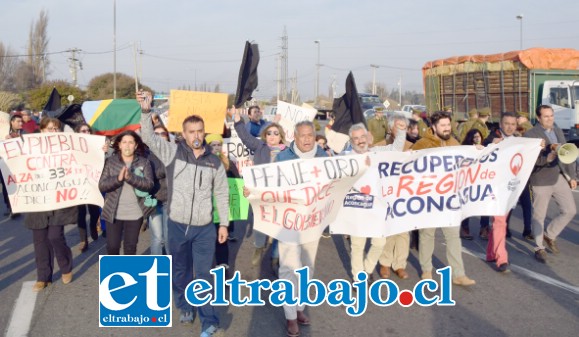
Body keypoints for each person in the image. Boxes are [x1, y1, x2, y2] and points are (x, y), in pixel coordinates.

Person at [138, 91, 229, 337]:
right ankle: (185, 306)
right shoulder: (173, 153)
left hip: (204, 229)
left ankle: (209, 320)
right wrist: (146, 112)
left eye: (200, 130)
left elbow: (221, 193)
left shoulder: (215, 162)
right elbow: (147, 137)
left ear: (204, 132)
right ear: (184, 134)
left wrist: (223, 225)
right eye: (191, 131)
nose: (196, 135)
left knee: (203, 274)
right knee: (180, 271)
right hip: (176, 225)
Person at [244, 120, 327, 337]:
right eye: (303, 136)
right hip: (289, 222)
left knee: (307, 269)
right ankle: (290, 316)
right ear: (295, 138)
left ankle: (299, 307)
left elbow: (336, 182)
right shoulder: (283, 157)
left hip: (313, 222)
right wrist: (252, 190)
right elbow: (270, 183)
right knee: (289, 268)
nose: (307, 139)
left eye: (310, 135)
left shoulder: (325, 158)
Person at [411, 111, 476, 286]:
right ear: (433, 127)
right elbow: (408, 168)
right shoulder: (422, 145)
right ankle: (426, 270)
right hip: (428, 199)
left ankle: (458, 274)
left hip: (450, 200)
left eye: (448, 125)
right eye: (443, 126)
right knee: (427, 235)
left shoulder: (454, 143)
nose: (447, 129)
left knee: (453, 236)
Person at [25, 117, 77, 291]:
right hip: (37, 200)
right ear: (41, 131)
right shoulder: (29, 149)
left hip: (59, 199)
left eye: (56, 129)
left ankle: (65, 266)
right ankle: (43, 277)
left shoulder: (67, 149)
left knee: (55, 236)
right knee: (40, 240)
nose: (52, 132)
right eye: (49, 129)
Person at [524, 105, 576, 263]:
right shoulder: (530, 134)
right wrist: (545, 159)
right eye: (546, 117)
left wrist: (572, 177)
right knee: (539, 215)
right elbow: (529, 160)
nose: (550, 119)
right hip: (540, 179)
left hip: (557, 176)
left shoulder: (558, 131)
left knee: (570, 210)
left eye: (551, 116)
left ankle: (550, 235)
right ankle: (539, 247)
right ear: (539, 118)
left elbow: (567, 153)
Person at [234, 110, 285, 270]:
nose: (272, 136)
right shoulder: (259, 146)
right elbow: (245, 137)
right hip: (260, 195)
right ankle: (258, 247)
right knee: (260, 224)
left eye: (276, 133)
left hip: (279, 196)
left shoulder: (288, 152)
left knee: (279, 227)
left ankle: (275, 257)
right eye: (269, 133)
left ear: (281, 136)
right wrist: (238, 121)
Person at [99, 130, 154, 255]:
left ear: (135, 145)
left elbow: (149, 185)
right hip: (113, 212)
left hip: (135, 213)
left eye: (130, 142)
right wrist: (118, 179)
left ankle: (128, 273)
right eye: (124, 142)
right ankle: (114, 272)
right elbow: (102, 186)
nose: (127, 145)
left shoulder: (143, 162)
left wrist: (131, 178)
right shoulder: (111, 162)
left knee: (130, 247)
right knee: (112, 247)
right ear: (119, 145)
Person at [484, 112, 519, 272]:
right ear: (500, 125)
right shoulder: (492, 137)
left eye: (513, 123)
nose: (510, 127)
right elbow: (481, 149)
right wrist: (492, 144)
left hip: (510, 187)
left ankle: (491, 253)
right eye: (507, 123)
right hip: (494, 187)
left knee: (500, 222)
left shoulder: (519, 140)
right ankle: (501, 258)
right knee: (499, 222)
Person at [206, 133, 240, 270]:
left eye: (218, 144)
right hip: (206, 206)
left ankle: (222, 263)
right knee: (207, 236)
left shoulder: (227, 162)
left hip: (221, 204)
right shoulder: (202, 161)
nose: (216, 147)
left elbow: (237, 181)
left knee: (221, 234)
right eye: (212, 145)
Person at [74, 124, 101, 252]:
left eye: (88, 130)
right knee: (80, 213)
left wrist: (104, 150)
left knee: (94, 212)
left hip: (93, 184)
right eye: (83, 130)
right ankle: (83, 239)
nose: (86, 132)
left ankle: (93, 225)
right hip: (78, 185)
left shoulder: (97, 145)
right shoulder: (72, 147)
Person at [459, 129, 489, 240]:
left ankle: (484, 228)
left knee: (485, 204)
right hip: (469, 182)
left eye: (479, 136)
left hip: (482, 181)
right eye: (474, 137)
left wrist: (484, 150)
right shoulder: (465, 150)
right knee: (467, 205)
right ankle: (464, 228)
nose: (477, 139)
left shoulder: (485, 148)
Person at [147, 125, 170, 255]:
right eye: (156, 134)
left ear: (167, 137)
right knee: (157, 238)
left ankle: (173, 269)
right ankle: (156, 270)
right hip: (154, 202)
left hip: (170, 201)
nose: (160, 136)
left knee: (168, 238)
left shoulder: (174, 153)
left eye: (163, 134)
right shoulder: (147, 156)